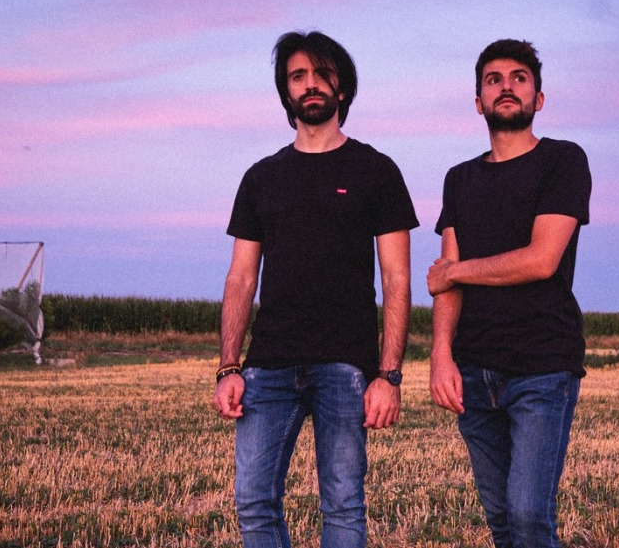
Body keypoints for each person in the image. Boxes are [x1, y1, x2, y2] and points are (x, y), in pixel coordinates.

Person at [212, 31, 419, 548]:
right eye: (298, 76)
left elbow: (397, 279)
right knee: (254, 503)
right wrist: (228, 367)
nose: (310, 84)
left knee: (343, 507)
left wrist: (389, 375)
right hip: (268, 366)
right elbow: (241, 277)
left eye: (322, 74)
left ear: (342, 88)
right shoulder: (261, 177)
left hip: (345, 366)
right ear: (285, 92)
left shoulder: (376, 171)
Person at [427, 39, 592, 548]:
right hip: (474, 370)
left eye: (519, 78)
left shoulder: (562, 160)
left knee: (527, 514)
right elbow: (446, 286)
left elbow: (541, 260)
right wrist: (440, 355)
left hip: (542, 366)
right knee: (500, 518)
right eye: (493, 79)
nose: (506, 87)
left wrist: (457, 271)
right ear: (478, 101)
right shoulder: (459, 178)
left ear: (538, 98)